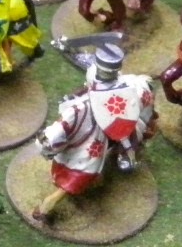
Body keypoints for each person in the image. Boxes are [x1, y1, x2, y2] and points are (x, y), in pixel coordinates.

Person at [32, 43, 157, 223]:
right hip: (93, 108)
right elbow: (87, 86)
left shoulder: (120, 84)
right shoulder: (93, 73)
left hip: (113, 113)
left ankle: (126, 155)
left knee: (123, 133)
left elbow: (123, 110)